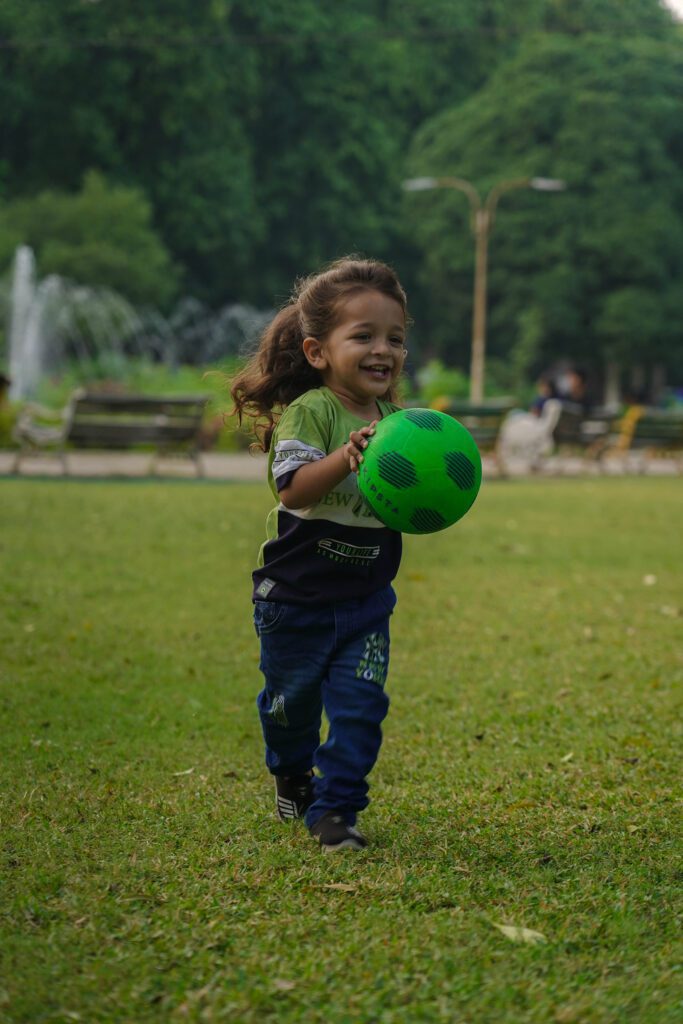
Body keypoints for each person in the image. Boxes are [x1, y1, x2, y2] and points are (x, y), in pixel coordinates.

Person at [231, 256, 408, 852]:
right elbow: (294, 489)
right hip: (296, 602)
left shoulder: (398, 423)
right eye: (363, 336)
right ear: (317, 352)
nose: (383, 349)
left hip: (365, 601)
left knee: (360, 708)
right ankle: (290, 771)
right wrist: (347, 456)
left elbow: (406, 507)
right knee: (292, 711)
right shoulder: (313, 412)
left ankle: (336, 813)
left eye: (395, 338)